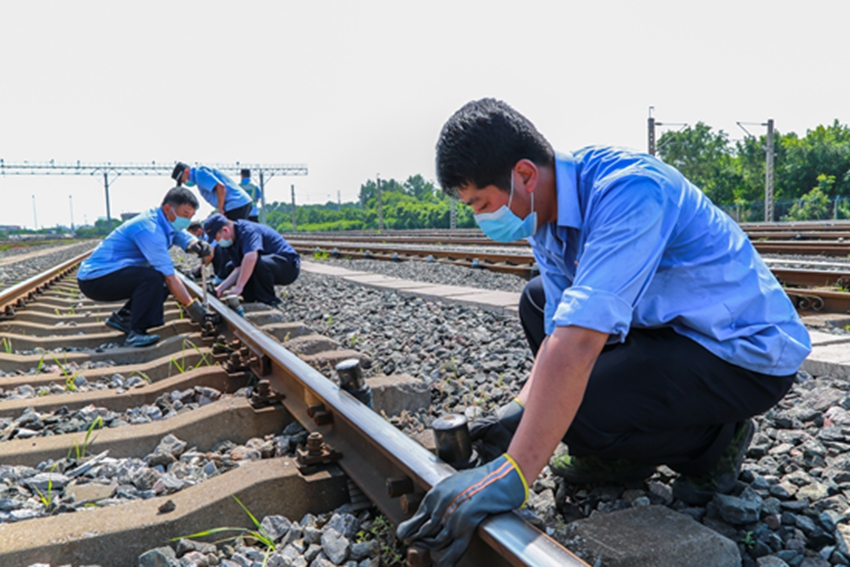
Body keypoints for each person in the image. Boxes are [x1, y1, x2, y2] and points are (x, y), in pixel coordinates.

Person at [397, 99, 812, 565]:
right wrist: (514, 413)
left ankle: (715, 443)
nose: (481, 218)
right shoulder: (545, 219)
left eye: (481, 203)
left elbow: (575, 346)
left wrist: (515, 472)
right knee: (537, 304)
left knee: (574, 408)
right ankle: (622, 447)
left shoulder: (630, 190)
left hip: (741, 354)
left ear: (525, 175)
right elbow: (558, 329)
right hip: (674, 331)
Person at [76, 187, 212, 347]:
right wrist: (193, 308)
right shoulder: (149, 229)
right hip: (95, 280)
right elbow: (169, 277)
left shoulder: (163, 219)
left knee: (155, 278)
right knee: (155, 278)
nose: (187, 220)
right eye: (185, 214)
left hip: (108, 274)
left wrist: (194, 243)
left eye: (191, 216)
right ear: (168, 209)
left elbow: (178, 234)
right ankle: (136, 333)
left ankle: (125, 318)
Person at [203, 213, 300, 306]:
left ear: (225, 230)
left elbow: (251, 257)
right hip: (266, 264)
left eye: (216, 238)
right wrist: (220, 289)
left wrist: (239, 286)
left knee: (255, 262)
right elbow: (238, 268)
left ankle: (269, 299)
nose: (217, 242)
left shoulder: (248, 230)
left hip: (287, 266)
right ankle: (251, 297)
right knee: (230, 267)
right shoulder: (231, 243)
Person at [172, 162, 253, 220]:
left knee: (231, 237)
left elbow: (220, 187)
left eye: (182, 180)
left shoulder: (199, 173)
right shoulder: (200, 173)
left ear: (186, 172)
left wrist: (220, 211)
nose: (185, 183)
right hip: (240, 203)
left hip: (235, 205)